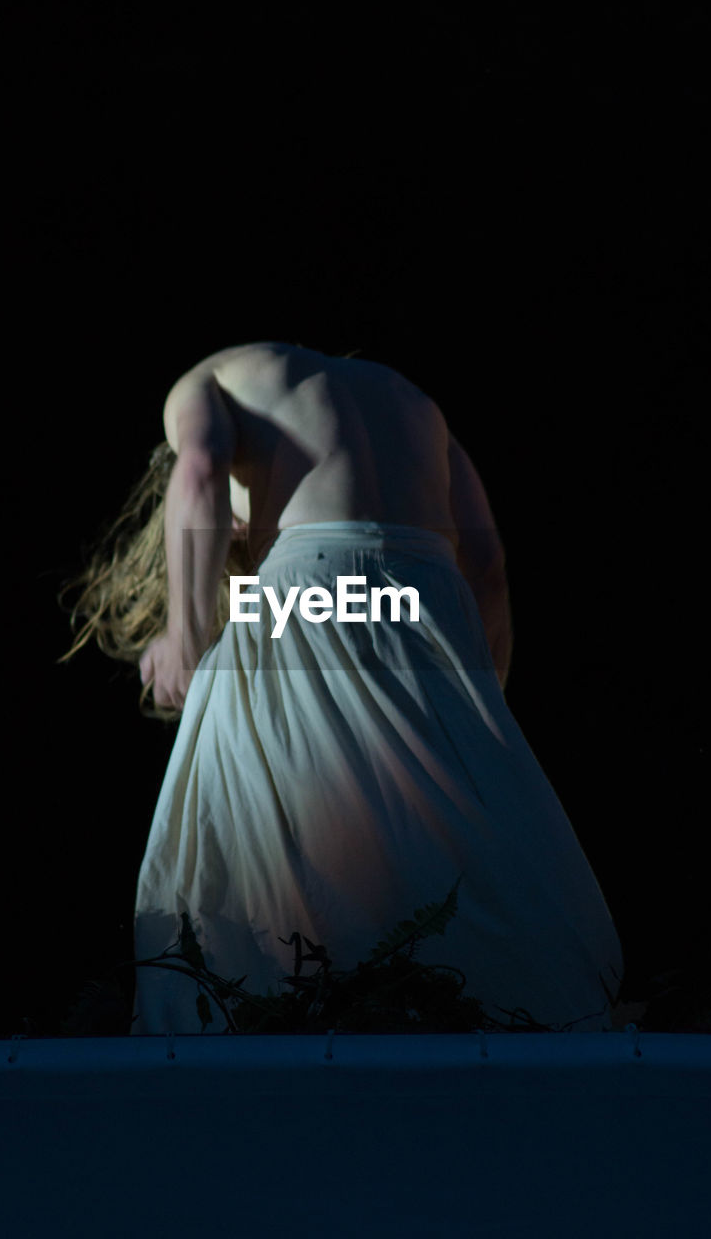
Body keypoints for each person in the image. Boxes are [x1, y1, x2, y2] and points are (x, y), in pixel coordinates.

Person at [62, 340, 625, 1033]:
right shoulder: (418, 404)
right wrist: (477, 710)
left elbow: (202, 467)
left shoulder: (202, 381)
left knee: (259, 835)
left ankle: (249, 1040)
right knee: (446, 839)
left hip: (311, 579)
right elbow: (487, 561)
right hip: (431, 595)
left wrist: (183, 637)